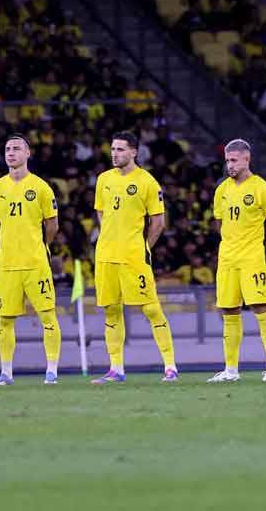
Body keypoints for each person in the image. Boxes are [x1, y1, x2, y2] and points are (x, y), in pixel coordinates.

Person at [90, 131, 178, 385]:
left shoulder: (147, 182)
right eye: (113, 149)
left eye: (120, 149)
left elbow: (158, 223)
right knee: (111, 311)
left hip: (133, 256)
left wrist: (143, 248)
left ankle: (170, 366)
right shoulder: (103, 179)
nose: (114, 154)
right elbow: (101, 213)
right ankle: (116, 369)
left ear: (134, 152)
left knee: (151, 308)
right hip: (106, 256)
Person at [0, 134, 62, 385]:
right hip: (8, 264)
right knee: (5, 320)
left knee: (48, 316)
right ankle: (6, 373)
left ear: (28, 153)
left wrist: (40, 245)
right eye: (7, 148)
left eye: (17, 148)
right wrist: (10, 240)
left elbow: (52, 224)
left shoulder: (41, 187)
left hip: (36, 263)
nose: (11, 153)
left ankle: (51, 370)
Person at [207, 139, 266, 383]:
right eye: (227, 160)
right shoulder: (222, 190)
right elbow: (220, 224)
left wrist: (263, 251)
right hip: (228, 259)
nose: (229, 165)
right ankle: (231, 370)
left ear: (246, 159)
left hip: (255, 259)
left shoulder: (263, 189)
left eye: (234, 160)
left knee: (262, 309)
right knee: (229, 311)